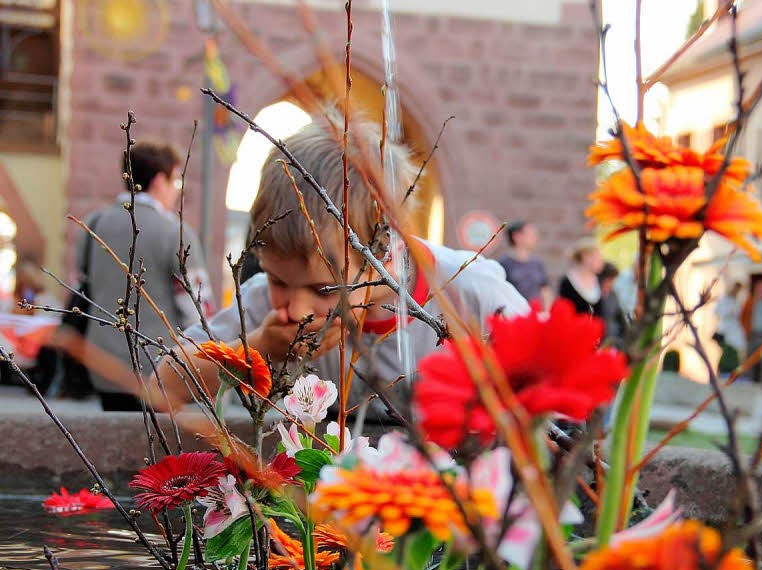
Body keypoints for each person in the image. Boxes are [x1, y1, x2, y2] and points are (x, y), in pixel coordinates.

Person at [155, 114, 528, 420]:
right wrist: (257, 349)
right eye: (278, 280)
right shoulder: (267, 311)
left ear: (385, 252)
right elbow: (160, 386)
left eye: (323, 290)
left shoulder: (472, 295)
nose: (296, 310)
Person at [79, 141, 211, 411]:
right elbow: (196, 305)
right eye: (175, 181)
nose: (176, 191)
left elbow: (86, 283)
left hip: (102, 362)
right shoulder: (175, 232)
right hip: (156, 366)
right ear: (160, 180)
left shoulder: (93, 224)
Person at [497, 221, 551, 307]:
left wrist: (546, 311)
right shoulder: (504, 264)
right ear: (517, 236)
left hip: (535, 313)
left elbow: (545, 290)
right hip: (513, 314)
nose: (535, 238)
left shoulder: (537, 263)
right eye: (530, 235)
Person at [558, 237, 604, 316]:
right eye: (596, 257)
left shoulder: (600, 281)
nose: (601, 261)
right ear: (586, 257)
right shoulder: (567, 282)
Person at [714, 282, 746, 377]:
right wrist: (728, 312)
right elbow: (717, 312)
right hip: (725, 332)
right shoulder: (723, 300)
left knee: (738, 352)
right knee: (726, 353)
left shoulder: (737, 301)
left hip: (735, 332)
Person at [598, 262, 626, 348]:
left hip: (613, 342)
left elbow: (620, 318)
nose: (611, 284)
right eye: (609, 280)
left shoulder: (613, 295)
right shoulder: (593, 296)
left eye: (613, 281)